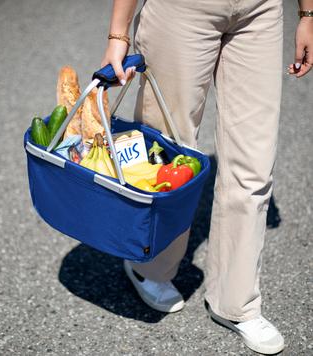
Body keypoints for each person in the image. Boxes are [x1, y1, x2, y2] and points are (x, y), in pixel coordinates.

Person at [101, 0, 312, 354]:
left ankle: (236, 302)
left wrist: (308, 14)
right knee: (168, 150)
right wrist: (118, 31)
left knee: (254, 160)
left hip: (259, 11)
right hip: (181, 8)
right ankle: (149, 267)